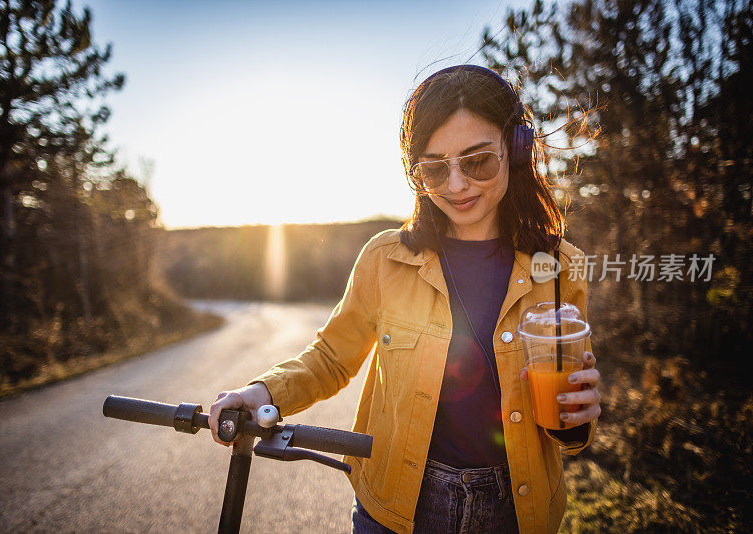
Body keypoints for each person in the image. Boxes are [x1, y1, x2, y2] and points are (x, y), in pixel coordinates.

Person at [208, 64, 602, 534]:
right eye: (435, 169)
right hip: (394, 509)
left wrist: (576, 422)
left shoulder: (560, 267)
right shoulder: (384, 259)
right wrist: (262, 392)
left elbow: (566, 418)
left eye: (477, 161)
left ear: (516, 151)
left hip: (517, 515)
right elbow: (332, 358)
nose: (456, 186)